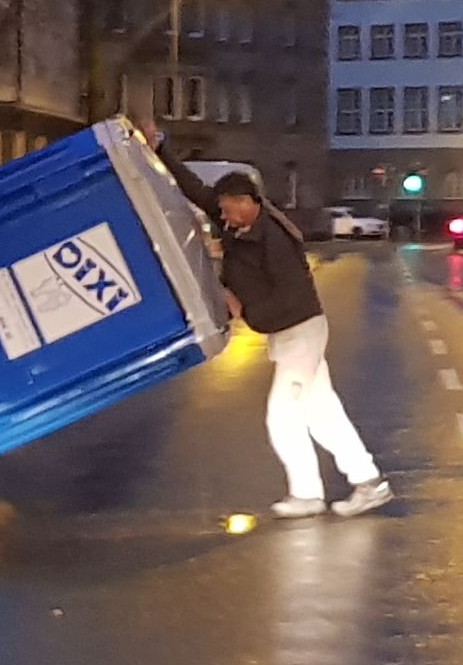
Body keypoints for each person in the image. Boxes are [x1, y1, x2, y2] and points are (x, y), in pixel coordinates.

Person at [161, 147, 388, 519]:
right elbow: (197, 191)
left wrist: (244, 311)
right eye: (222, 210)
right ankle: (368, 481)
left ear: (247, 203)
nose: (224, 217)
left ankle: (307, 494)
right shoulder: (238, 222)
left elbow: (289, 299)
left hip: (299, 331)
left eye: (229, 209)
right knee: (322, 412)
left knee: (282, 416)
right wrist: (161, 150)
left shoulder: (276, 241)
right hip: (293, 335)